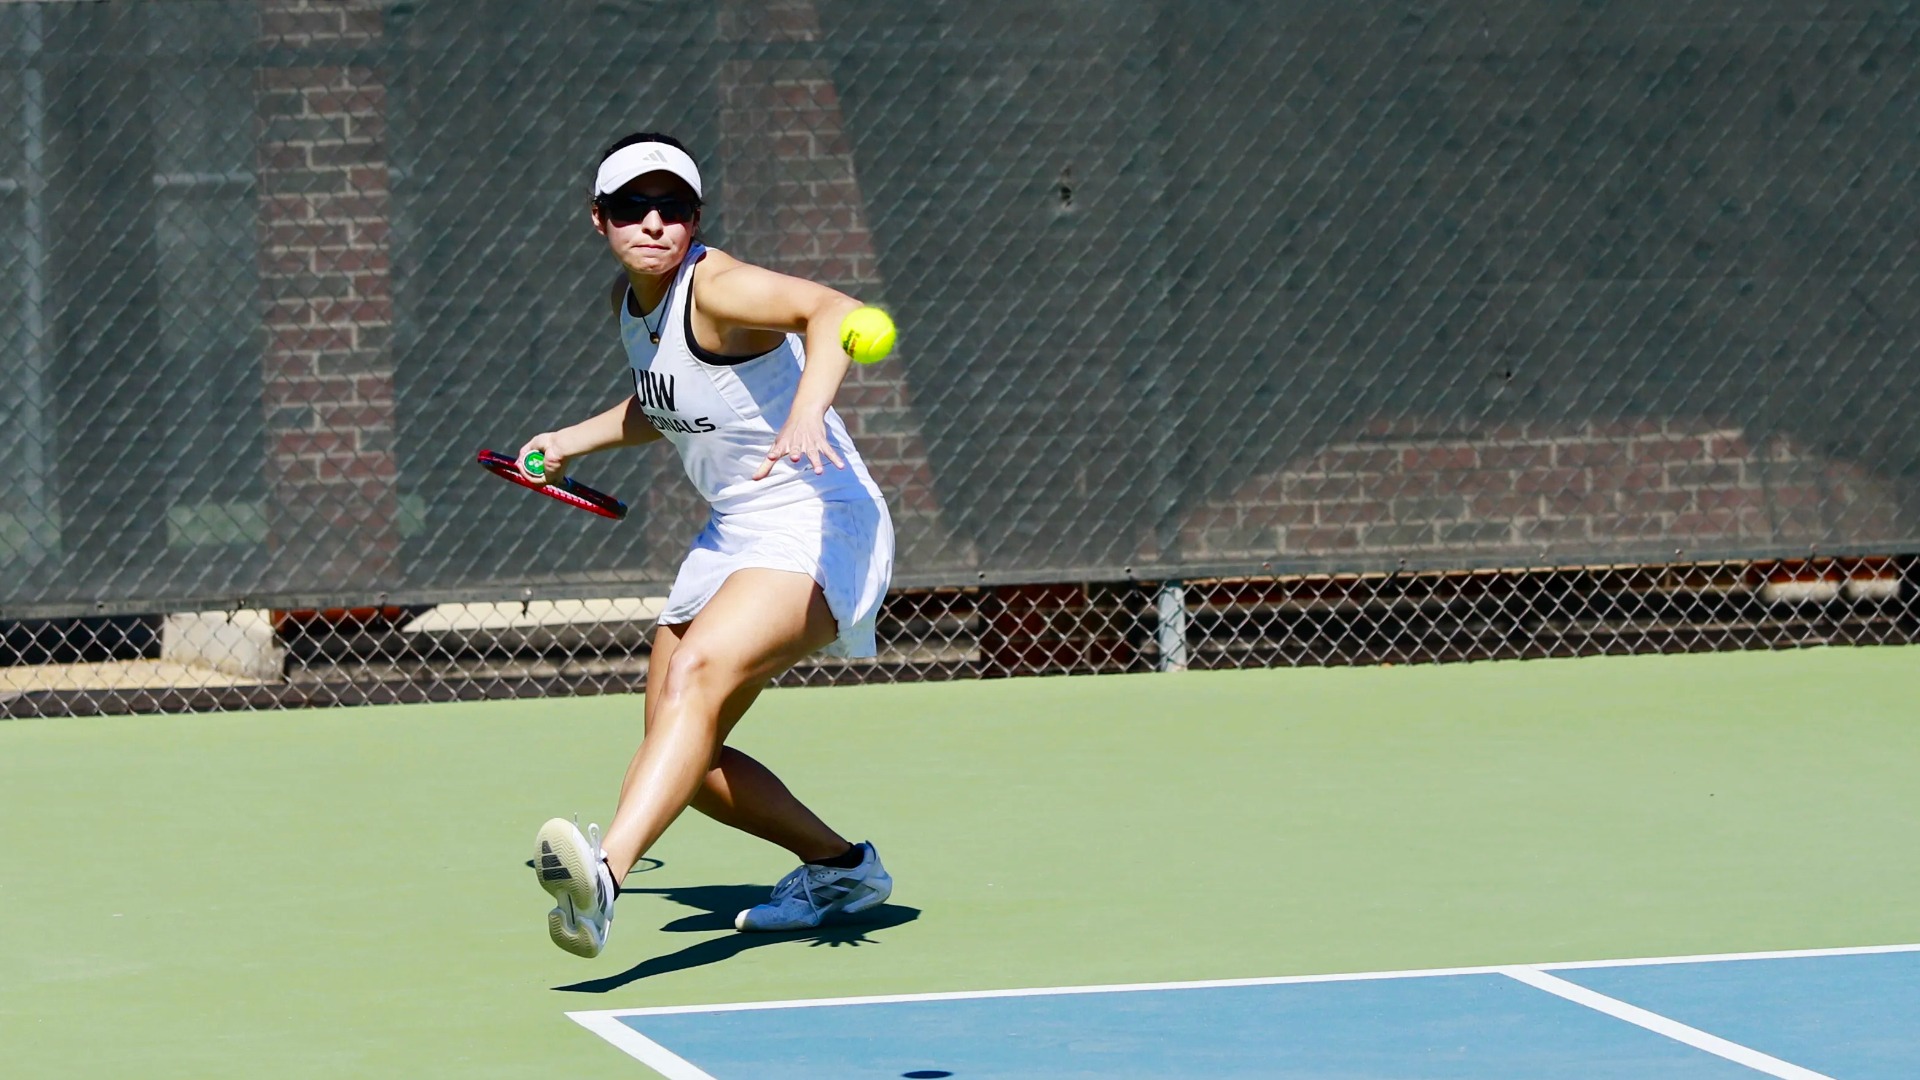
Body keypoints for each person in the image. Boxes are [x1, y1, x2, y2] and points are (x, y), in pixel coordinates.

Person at [520, 132, 895, 958]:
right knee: (677, 742)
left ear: (695, 219)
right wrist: (570, 441)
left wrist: (807, 410)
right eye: (631, 207)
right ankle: (842, 868)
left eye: (673, 208)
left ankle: (603, 882)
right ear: (600, 220)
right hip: (736, 528)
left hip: (816, 514)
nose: (653, 223)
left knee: (694, 677)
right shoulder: (634, 309)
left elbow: (830, 310)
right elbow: (663, 404)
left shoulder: (717, 287)